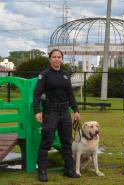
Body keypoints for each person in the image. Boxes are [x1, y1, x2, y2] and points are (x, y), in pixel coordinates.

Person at [33, 48, 80, 182]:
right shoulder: (44, 75)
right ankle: (42, 171)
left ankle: (69, 170)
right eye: (54, 57)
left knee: (66, 142)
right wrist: (37, 111)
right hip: (50, 111)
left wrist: (76, 110)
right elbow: (36, 94)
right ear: (50, 59)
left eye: (59, 57)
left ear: (62, 59)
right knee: (46, 142)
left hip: (65, 111)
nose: (57, 59)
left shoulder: (65, 75)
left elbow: (70, 94)